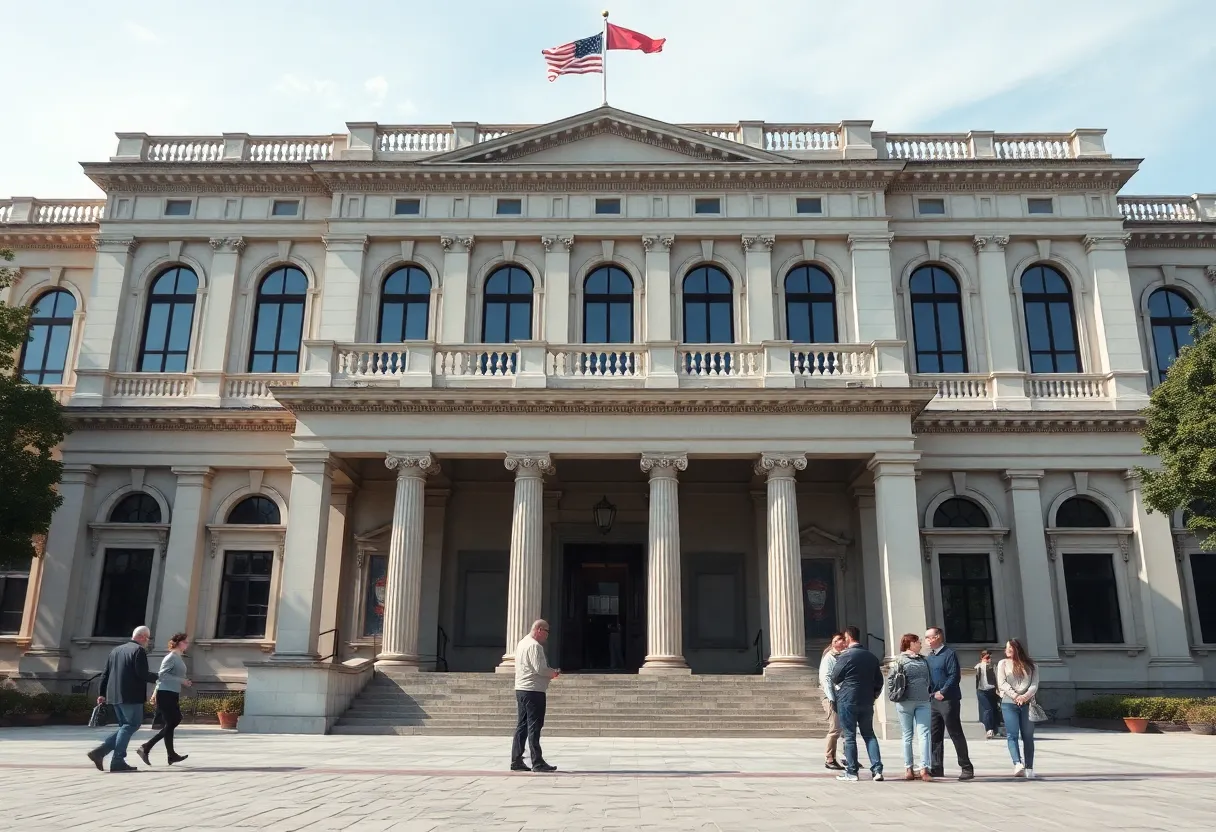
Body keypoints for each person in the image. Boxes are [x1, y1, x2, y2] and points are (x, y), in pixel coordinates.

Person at [87, 625, 160, 773]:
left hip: (114, 695)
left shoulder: (116, 650)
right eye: (147, 638)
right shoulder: (138, 651)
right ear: (142, 637)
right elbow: (142, 673)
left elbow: (105, 674)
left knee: (125, 727)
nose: (147, 641)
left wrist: (102, 693)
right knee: (131, 725)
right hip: (131, 695)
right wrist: (159, 677)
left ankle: (100, 753)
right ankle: (117, 760)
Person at [829, 625, 884, 782]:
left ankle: (852, 772)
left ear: (847, 637)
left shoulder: (846, 656)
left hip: (848, 699)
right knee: (869, 734)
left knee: (849, 736)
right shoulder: (871, 657)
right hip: (867, 700)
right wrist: (873, 695)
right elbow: (879, 681)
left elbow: (835, 676)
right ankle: (877, 770)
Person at [923, 626, 974, 780]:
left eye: (928, 637)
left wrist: (943, 692)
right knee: (934, 735)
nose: (926, 640)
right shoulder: (929, 657)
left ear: (937, 637)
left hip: (948, 700)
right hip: (933, 700)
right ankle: (937, 767)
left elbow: (954, 676)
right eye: (926, 638)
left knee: (955, 732)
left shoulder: (949, 654)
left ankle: (966, 768)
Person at [135, 632, 193, 766]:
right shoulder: (171, 657)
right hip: (166, 693)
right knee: (175, 720)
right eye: (185, 642)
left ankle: (171, 755)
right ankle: (146, 747)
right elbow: (162, 676)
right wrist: (182, 680)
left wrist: (183, 681)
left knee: (170, 724)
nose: (187, 644)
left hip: (172, 692)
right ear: (178, 643)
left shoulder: (178, 657)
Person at [510, 619, 559, 773]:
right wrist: (553, 673)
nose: (547, 635)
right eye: (546, 631)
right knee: (534, 726)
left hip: (521, 689)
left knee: (522, 725)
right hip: (534, 690)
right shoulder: (534, 646)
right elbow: (540, 669)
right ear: (539, 629)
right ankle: (537, 761)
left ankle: (516, 759)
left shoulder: (522, 643)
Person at [890, 633, 933, 781]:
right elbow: (891, 679)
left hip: (923, 701)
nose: (920, 644)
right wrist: (895, 694)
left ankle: (924, 768)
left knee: (924, 734)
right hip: (905, 701)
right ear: (910, 644)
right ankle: (908, 767)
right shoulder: (899, 660)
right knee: (907, 735)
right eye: (918, 642)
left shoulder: (923, 660)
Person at [997, 638, 1040, 779]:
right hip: (1009, 703)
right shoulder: (1003, 664)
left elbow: (1034, 684)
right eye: (1006, 647)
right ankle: (1017, 763)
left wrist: (1025, 697)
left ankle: (1029, 767)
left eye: (1010, 647)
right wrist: (1015, 696)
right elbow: (1001, 683)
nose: (1007, 650)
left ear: (1017, 648)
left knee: (1028, 736)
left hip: (1027, 703)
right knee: (1012, 734)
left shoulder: (1031, 665)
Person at [818, 632, 847, 771]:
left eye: (843, 640)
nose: (841, 643)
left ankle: (847, 757)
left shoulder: (845, 656)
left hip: (843, 696)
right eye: (838, 640)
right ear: (833, 643)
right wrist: (831, 699)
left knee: (845, 729)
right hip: (832, 696)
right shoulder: (829, 657)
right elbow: (826, 679)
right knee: (835, 728)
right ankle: (829, 758)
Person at [974, 649, 1002, 739]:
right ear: (982, 658)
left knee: (995, 709)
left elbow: (997, 678)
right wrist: (982, 665)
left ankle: (995, 729)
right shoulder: (978, 667)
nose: (989, 660)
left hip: (992, 691)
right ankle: (988, 729)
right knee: (988, 709)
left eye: (990, 658)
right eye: (987, 658)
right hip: (982, 691)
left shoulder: (993, 667)